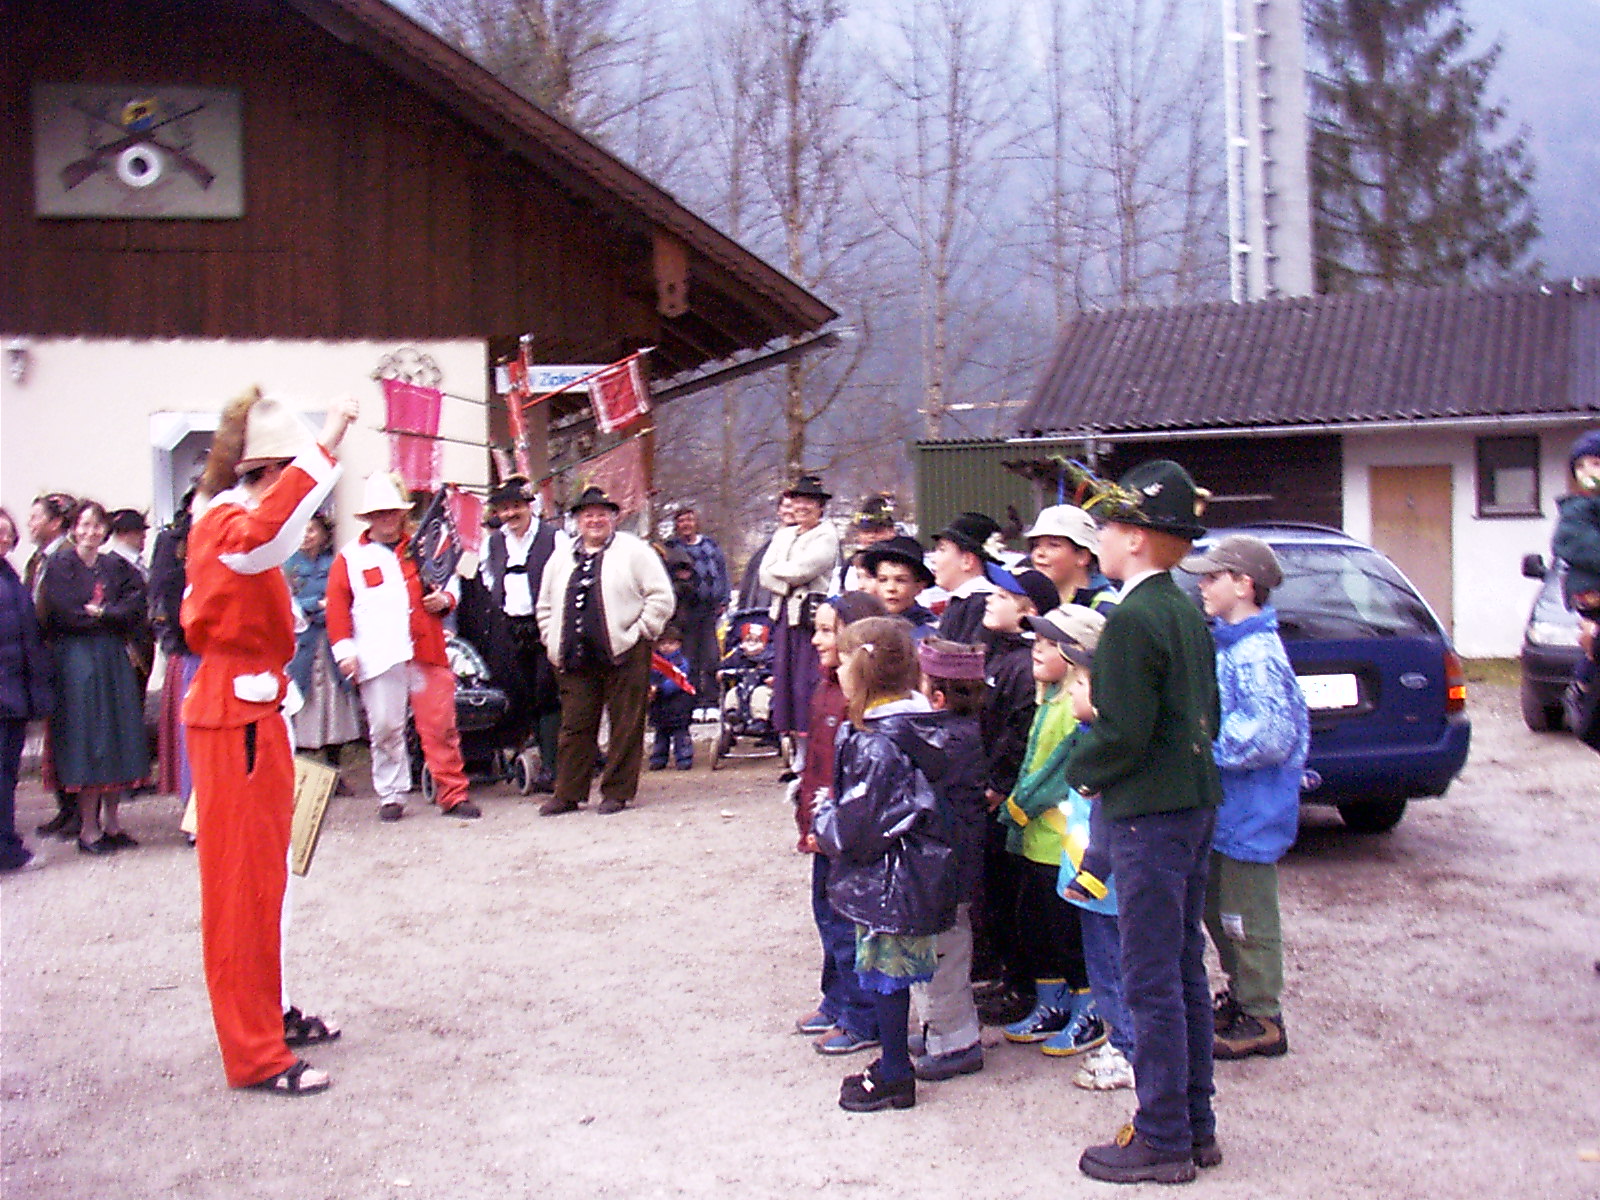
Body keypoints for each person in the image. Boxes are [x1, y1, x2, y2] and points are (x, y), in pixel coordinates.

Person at [181, 389, 356, 1095]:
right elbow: (267, 537)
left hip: (249, 710)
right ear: (270, 473)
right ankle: (254, 1050)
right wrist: (328, 443)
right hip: (237, 717)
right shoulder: (229, 526)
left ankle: (264, 1018)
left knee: (261, 883)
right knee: (242, 888)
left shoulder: (224, 521)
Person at [1064, 459, 1223, 1185]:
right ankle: (1194, 1122)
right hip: (1191, 804)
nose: (1097, 540)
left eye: (1105, 528)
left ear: (1133, 538)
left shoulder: (1132, 616)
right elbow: (1201, 715)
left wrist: (1083, 767)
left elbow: (1124, 731)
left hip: (1147, 815)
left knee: (1150, 977)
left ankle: (1162, 1135)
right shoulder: (1186, 606)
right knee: (1183, 968)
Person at [813, 616, 956, 1113]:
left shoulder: (877, 741)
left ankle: (895, 1072)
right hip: (912, 871)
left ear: (864, 668)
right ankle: (895, 1062)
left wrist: (822, 815)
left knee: (887, 973)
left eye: (847, 656)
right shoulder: (917, 726)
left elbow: (861, 825)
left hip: (890, 879)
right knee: (890, 972)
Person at [1179, 534, 1309, 1061]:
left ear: (1244, 584)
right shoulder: (1230, 642)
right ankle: (1243, 995)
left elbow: (1269, 735)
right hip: (1229, 809)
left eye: (1213, 578)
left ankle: (1263, 1015)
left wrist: (1200, 748)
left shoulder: (1255, 653)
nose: (1203, 586)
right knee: (1220, 911)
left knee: (1246, 917)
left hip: (1251, 811)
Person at [326, 473, 477, 822]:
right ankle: (391, 794)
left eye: (392, 512)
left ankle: (452, 793)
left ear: (401, 513)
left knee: (441, 726)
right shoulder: (350, 559)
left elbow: (450, 578)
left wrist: (447, 598)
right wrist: (345, 651)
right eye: (380, 513)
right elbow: (336, 608)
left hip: (426, 649)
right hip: (378, 654)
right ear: (369, 518)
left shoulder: (423, 547)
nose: (387, 518)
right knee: (384, 727)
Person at [996, 599, 1107, 1060]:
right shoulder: (1051, 702)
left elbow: (1057, 775)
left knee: (1065, 933)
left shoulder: (1074, 712)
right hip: (1036, 843)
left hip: (1059, 844)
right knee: (1037, 928)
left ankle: (1088, 1009)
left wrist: (1017, 807)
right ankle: (1051, 1003)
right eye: (1035, 642)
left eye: (1049, 644)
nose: (1036, 651)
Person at [1037, 609, 1136, 1093]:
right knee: (1105, 969)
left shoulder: (1108, 753)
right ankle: (1122, 1041)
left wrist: (1092, 874)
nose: (1072, 691)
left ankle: (1130, 1049)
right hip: (1088, 884)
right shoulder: (1086, 740)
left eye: (1080, 683)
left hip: (1107, 888)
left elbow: (1107, 822)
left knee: (1116, 973)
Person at [535, 486, 674, 816]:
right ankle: (568, 792)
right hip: (574, 655)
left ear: (613, 518)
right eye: (587, 515)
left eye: (601, 514)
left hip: (624, 652)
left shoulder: (635, 551)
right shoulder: (560, 557)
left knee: (626, 723)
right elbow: (544, 605)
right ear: (577, 521)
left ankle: (617, 791)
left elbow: (661, 597)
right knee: (575, 725)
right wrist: (551, 639)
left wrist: (640, 632)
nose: (594, 520)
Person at [793, 591, 888, 1058]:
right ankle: (836, 999)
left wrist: (835, 826)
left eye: (828, 630)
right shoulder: (827, 685)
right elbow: (816, 762)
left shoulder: (860, 700)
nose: (816, 640)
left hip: (845, 835)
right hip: (821, 829)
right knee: (826, 919)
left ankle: (863, 1016)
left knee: (849, 926)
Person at [37, 500, 149, 854]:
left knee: (118, 735)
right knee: (90, 739)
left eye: (97, 525)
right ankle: (88, 828)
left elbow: (136, 604)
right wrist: (109, 617)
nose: (91, 532)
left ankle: (113, 823)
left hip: (113, 658)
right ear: (73, 528)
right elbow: (65, 612)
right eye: (84, 525)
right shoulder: (60, 565)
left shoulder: (114, 565)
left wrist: (104, 612)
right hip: (78, 660)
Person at [972, 564, 1058, 1026]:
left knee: (1014, 896)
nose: (989, 598)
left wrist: (997, 785)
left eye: (1001, 595)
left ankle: (1024, 986)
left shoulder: (1025, 667)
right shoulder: (1000, 655)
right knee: (996, 896)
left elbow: (1018, 735)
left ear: (1029, 611)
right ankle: (1010, 977)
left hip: (1007, 801)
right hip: (992, 793)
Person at [908, 638, 989, 1082]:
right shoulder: (952, 734)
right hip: (944, 860)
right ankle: (938, 1025)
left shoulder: (947, 743)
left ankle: (957, 1041)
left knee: (946, 950)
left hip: (947, 864)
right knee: (934, 947)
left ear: (937, 698)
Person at [478, 476, 565, 792]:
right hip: (510, 627)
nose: (511, 514)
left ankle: (554, 767)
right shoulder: (493, 542)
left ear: (529, 507)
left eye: (516, 506)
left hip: (544, 624)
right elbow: (488, 574)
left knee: (548, 694)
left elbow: (565, 576)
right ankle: (537, 759)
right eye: (504, 508)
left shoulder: (553, 538)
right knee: (522, 694)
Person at [759, 475, 841, 749]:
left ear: (820, 506)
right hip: (783, 616)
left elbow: (804, 570)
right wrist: (785, 576)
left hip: (810, 619)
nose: (802, 507)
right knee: (786, 681)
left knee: (809, 680)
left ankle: (815, 746)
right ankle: (796, 750)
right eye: (798, 501)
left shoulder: (827, 535)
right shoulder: (782, 535)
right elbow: (763, 574)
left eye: (809, 501)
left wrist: (779, 571)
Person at [283, 513, 362, 776]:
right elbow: (284, 604)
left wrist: (329, 609)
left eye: (313, 530)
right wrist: (315, 606)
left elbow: (345, 598)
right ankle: (303, 771)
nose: (307, 536)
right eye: (302, 530)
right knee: (301, 701)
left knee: (333, 699)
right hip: (301, 645)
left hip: (330, 642)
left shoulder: (335, 564)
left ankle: (334, 768)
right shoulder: (287, 566)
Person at [0, 506, 52, 872]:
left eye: (7, 532)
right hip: (4, 692)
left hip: (12, 692)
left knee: (7, 775)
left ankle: (7, 843)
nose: (4, 538)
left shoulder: (9, 574)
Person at [26, 491, 78, 838]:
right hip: (43, 652)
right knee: (55, 734)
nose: (30, 524)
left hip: (61, 652)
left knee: (69, 730)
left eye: (36, 518)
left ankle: (76, 809)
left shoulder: (66, 556)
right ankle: (64, 806)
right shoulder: (37, 560)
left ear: (55, 523)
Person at [149, 489, 201, 809]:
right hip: (189, 647)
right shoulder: (172, 543)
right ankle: (193, 811)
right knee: (191, 735)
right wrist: (174, 641)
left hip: (226, 648)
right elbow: (164, 595)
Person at [663, 506, 729, 707]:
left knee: (711, 656)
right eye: (681, 521)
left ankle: (710, 700)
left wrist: (724, 599)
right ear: (676, 525)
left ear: (696, 522)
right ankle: (690, 698)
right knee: (689, 657)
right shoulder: (671, 548)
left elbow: (722, 571)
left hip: (711, 610)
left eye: (689, 520)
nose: (686, 524)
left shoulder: (710, 545)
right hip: (685, 612)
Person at [1025, 504, 1117, 612]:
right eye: (1036, 545)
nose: (1039, 553)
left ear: (1082, 556)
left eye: (1053, 545)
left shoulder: (1105, 607)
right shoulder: (1031, 600)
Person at [930, 511, 1002, 644]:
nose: (933, 558)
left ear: (967, 561)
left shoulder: (980, 605)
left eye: (942, 549)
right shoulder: (966, 602)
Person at [858, 534, 937, 639]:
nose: (891, 588)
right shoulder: (865, 627)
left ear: (919, 587)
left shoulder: (930, 632)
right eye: (883, 580)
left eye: (901, 580)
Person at [647, 625, 696, 770]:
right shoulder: (654, 663)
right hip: (659, 705)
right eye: (663, 643)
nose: (666, 647)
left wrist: (660, 688)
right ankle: (658, 759)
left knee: (681, 735)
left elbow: (678, 680)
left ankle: (684, 758)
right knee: (661, 735)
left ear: (678, 644)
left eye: (671, 643)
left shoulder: (681, 663)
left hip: (678, 704)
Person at [717, 618, 775, 738]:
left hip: (762, 686)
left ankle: (760, 720)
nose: (752, 644)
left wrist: (772, 678)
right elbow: (724, 666)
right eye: (748, 640)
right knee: (732, 694)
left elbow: (777, 671)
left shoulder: (770, 657)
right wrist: (722, 672)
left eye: (757, 641)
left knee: (760, 696)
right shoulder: (738, 656)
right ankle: (733, 713)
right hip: (742, 686)